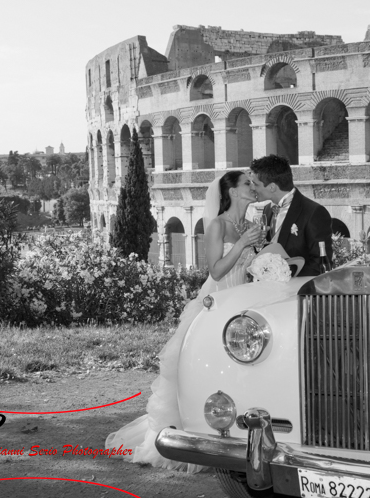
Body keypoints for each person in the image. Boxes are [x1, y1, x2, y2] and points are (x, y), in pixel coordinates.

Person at [104, 170, 262, 471]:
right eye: (247, 184)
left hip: (244, 302)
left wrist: (263, 256)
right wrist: (242, 244)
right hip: (219, 300)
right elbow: (215, 271)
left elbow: (250, 266)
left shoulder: (252, 225)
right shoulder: (216, 225)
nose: (252, 187)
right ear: (231, 192)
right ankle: (196, 432)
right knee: (208, 367)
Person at [250, 154, 332, 277]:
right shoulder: (267, 210)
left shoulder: (314, 212)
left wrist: (284, 277)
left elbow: (319, 264)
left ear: (272, 187)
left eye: (256, 184)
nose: (252, 188)